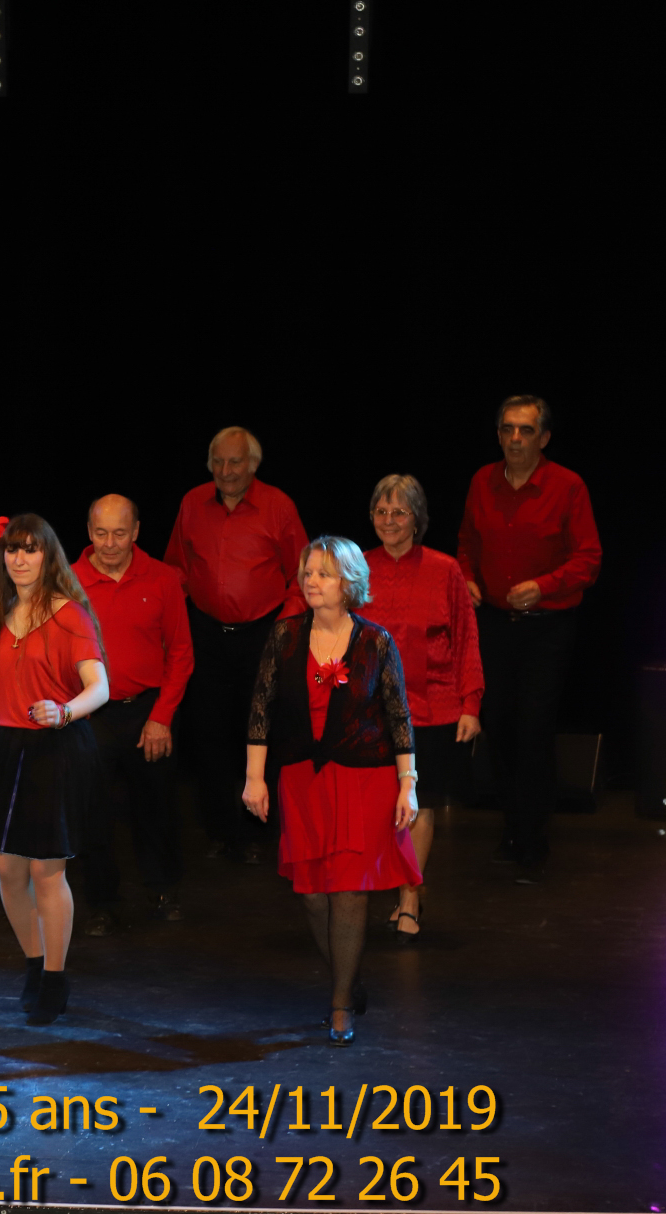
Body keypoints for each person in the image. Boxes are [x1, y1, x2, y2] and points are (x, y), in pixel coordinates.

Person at [242, 537, 420, 1047]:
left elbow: (399, 718)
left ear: (349, 582)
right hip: (303, 781)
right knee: (312, 895)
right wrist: (255, 777)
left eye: (323, 573)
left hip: (364, 779)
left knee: (348, 889)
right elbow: (261, 709)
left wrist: (408, 784)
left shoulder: (376, 642)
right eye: (308, 572)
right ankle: (350, 976)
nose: (311, 581)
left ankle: (341, 1003)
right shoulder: (285, 636)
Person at [0, 513, 110, 1026]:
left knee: (45, 869)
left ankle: (55, 977)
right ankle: (35, 964)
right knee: (8, 870)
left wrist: (64, 712)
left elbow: (100, 687)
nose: (19, 558)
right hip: (7, 748)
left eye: (30, 549)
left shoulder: (69, 615)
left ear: (47, 556)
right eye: (12, 549)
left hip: (56, 749)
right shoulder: (1, 611)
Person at [457, 395, 602, 884]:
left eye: (525, 430)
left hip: (546, 627)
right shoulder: (482, 480)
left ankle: (533, 836)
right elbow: (466, 544)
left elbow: (588, 559)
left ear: (544, 438)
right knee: (497, 727)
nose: (515, 439)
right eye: (507, 429)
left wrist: (544, 586)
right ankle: (512, 826)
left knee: (534, 729)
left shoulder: (568, 486)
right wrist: (467, 578)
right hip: (495, 625)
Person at [163, 426, 308, 865]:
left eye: (235, 462)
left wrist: (283, 627)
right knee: (208, 735)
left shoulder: (278, 506)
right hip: (206, 634)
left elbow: (302, 574)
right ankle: (221, 832)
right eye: (218, 462)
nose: (226, 471)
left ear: (253, 465)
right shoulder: (192, 502)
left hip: (263, 634)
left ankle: (260, 829)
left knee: (261, 731)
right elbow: (176, 567)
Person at [357, 474, 482, 941]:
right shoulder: (356, 566)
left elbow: (466, 638)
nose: (389, 521)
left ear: (417, 520)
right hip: (368, 709)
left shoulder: (445, 569)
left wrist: (471, 703)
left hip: (433, 706)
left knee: (420, 805)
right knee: (373, 807)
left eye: (399, 512)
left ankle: (410, 896)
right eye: (381, 511)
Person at [70, 495, 194, 934]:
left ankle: (163, 889)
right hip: (91, 713)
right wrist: (72, 710)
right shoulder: (69, 581)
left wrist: (162, 717)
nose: (109, 543)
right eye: (101, 533)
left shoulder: (162, 578)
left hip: (147, 710)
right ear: (89, 531)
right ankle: (102, 903)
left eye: (119, 533)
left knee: (156, 806)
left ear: (136, 532)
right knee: (93, 812)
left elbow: (181, 652)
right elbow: (55, 651)